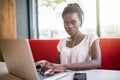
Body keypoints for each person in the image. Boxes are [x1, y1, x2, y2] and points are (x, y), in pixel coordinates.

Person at [36, 3, 101, 74]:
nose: (69, 26)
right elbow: (57, 65)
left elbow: (97, 63)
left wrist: (65, 66)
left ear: (80, 22)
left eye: (73, 22)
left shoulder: (90, 37)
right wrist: (46, 64)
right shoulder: (62, 42)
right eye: (66, 22)